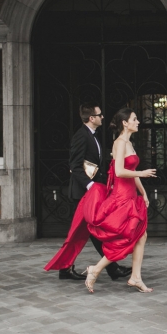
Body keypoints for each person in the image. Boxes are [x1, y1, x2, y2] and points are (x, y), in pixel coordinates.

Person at [44, 107, 157, 294]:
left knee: (140, 234)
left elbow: (131, 173)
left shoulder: (129, 143)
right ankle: (96, 269)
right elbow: (119, 171)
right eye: (135, 119)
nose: (138, 122)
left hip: (131, 194)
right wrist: (142, 173)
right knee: (127, 236)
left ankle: (134, 277)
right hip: (121, 196)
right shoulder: (119, 143)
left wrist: (143, 192)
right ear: (125, 123)